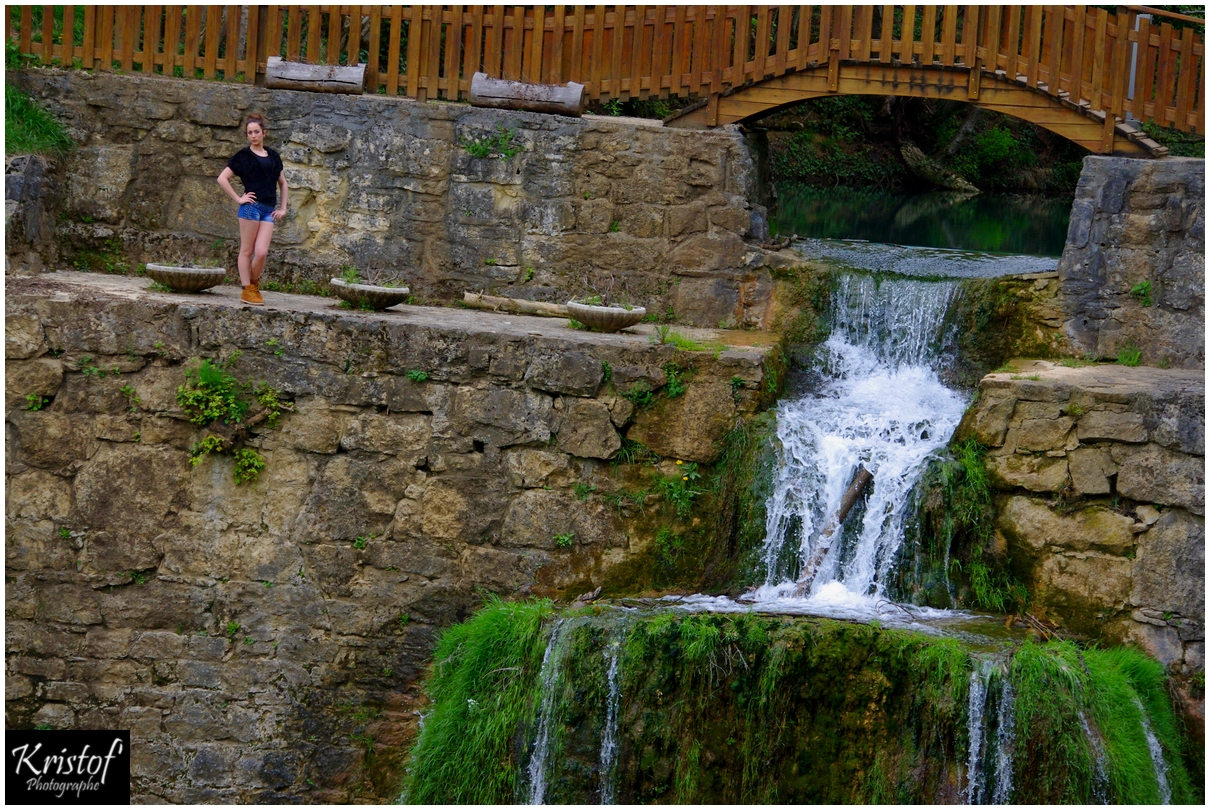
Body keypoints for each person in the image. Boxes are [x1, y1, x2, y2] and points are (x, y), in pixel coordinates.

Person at [217, 113, 288, 306]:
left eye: (257, 132)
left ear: (264, 133)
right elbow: (222, 178)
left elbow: (282, 183)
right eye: (250, 133)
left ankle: (253, 286)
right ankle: (247, 289)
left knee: (262, 252)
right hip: (250, 209)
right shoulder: (243, 156)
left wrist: (283, 207)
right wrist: (239, 198)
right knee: (247, 251)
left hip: (268, 209)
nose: (253, 135)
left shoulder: (273, 156)